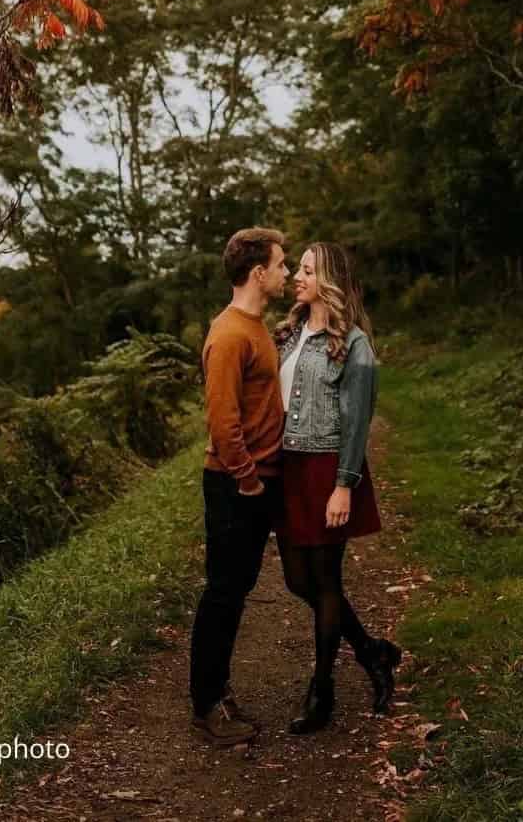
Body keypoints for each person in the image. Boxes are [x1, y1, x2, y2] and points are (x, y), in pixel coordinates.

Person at [273, 242, 402, 734]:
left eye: (306, 270)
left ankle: (321, 689)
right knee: (296, 580)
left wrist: (344, 485)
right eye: (298, 269)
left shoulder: (354, 345)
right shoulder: (288, 334)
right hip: (288, 470)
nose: (297, 278)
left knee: (326, 581)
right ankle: (371, 651)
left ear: (328, 280)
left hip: (328, 469)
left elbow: (357, 423)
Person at [188, 226, 290, 746]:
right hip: (234, 486)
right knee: (223, 594)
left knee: (236, 590)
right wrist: (249, 480)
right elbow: (222, 421)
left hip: (255, 484)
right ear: (258, 273)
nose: (287, 273)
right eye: (280, 264)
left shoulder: (255, 327)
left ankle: (216, 690)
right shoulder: (229, 335)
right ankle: (206, 706)